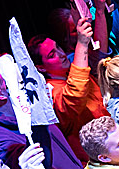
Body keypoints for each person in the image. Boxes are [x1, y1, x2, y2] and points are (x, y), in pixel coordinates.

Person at [27, 14, 108, 161]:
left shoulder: (71, 71)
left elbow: (99, 52)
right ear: (41, 67)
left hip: (112, 139)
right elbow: (75, 96)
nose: (61, 54)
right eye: (52, 55)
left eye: (57, 47)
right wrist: (81, 43)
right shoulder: (50, 93)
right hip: (98, 158)